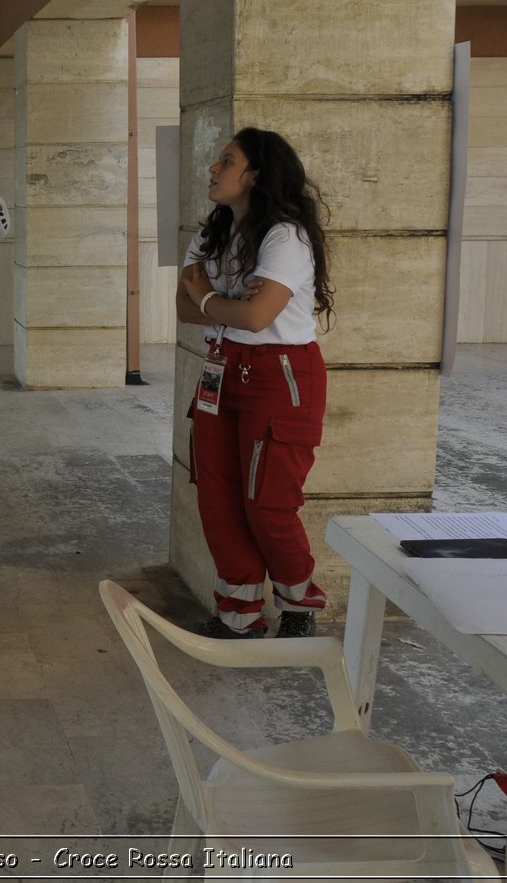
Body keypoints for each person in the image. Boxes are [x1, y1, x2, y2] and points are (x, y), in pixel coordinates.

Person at [176, 127, 334, 639]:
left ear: (256, 175)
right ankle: (238, 614)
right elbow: (182, 306)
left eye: (226, 161)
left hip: (280, 374)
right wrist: (218, 306)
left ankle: (297, 601)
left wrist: (208, 302)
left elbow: (258, 316)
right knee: (217, 497)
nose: (213, 169)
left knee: (266, 501)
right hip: (222, 370)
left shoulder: (284, 235)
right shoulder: (214, 230)